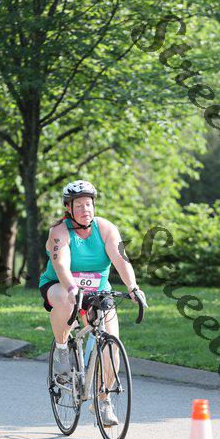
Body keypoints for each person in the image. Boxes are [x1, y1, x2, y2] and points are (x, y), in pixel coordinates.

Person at [38, 180, 147, 425]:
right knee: (66, 300)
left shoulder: (106, 228)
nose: (85, 209)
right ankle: (62, 350)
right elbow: (61, 265)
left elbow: (122, 260)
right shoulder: (59, 232)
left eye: (88, 204)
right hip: (60, 286)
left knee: (112, 344)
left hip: (98, 291)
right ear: (68, 209)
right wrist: (72, 288)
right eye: (78, 206)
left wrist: (133, 287)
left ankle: (103, 400)